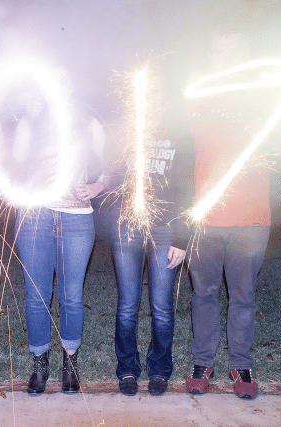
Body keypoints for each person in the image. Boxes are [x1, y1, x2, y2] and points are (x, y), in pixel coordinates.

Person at [185, 25, 275, 399]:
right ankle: (202, 361)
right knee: (203, 294)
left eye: (234, 51)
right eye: (219, 52)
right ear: (210, 56)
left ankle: (240, 364)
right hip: (205, 218)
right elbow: (181, 158)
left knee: (243, 297)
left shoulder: (267, 95)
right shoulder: (194, 96)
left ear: (247, 53)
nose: (227, 60)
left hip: (252, 217)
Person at [12, 87, 105, 395]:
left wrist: (98, 185)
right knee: (36, 296)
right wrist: (29, 118)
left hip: (76, 217)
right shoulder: (32, 120)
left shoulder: (89, 122)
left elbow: (112, 164)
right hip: (34, 216)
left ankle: (69, 361)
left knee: (71, 296)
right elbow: (15, 163)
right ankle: (40, 363)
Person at [109, 79, 194, 397]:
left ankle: (159, 369)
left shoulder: (179, 137)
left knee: (161, 307)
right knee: (127, 306)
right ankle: (127, 369)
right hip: (127, 230)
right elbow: (112, 179)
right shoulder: (126, 137)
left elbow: (188, 188)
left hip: (165, 232)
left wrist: (183, 238)